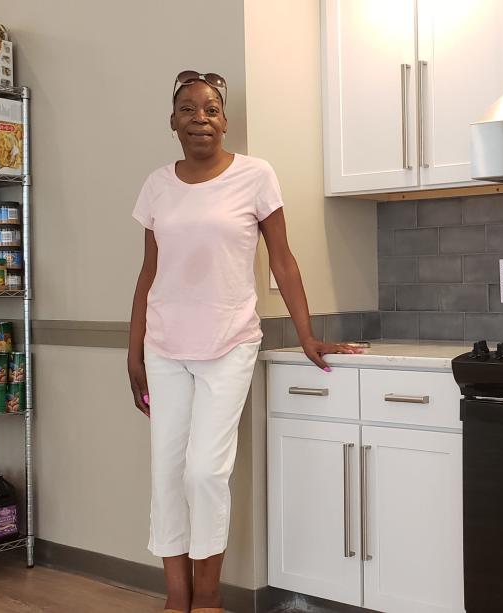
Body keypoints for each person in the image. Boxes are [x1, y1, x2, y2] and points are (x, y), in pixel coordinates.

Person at [128, 70, 361, 613]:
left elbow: (282, 258)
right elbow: (147, 274)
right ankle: (176, 598)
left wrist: (308, 334)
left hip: (230, 342)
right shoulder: (157, 184)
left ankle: (207, 600)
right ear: (172, 122)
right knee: (166, 472)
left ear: (224, 120)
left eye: (210, 109)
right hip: (164, 347)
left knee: (205, 472)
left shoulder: (256, 176)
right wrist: (133, 348)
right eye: (188, 109)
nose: (200, 118)